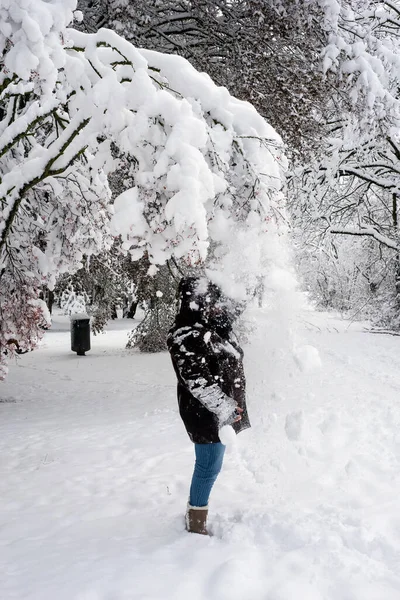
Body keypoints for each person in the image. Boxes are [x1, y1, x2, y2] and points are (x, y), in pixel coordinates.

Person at [167, 276, 250, 535]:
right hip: (204, 413)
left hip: (217, 410)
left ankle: (196, 515)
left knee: (211, 464)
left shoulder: (212, 327)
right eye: (209, 299)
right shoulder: (187, 335)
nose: (215, 305)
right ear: (195, 301)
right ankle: (195, 524)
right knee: (208, 467)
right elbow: (196, 381)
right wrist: (225, 407)